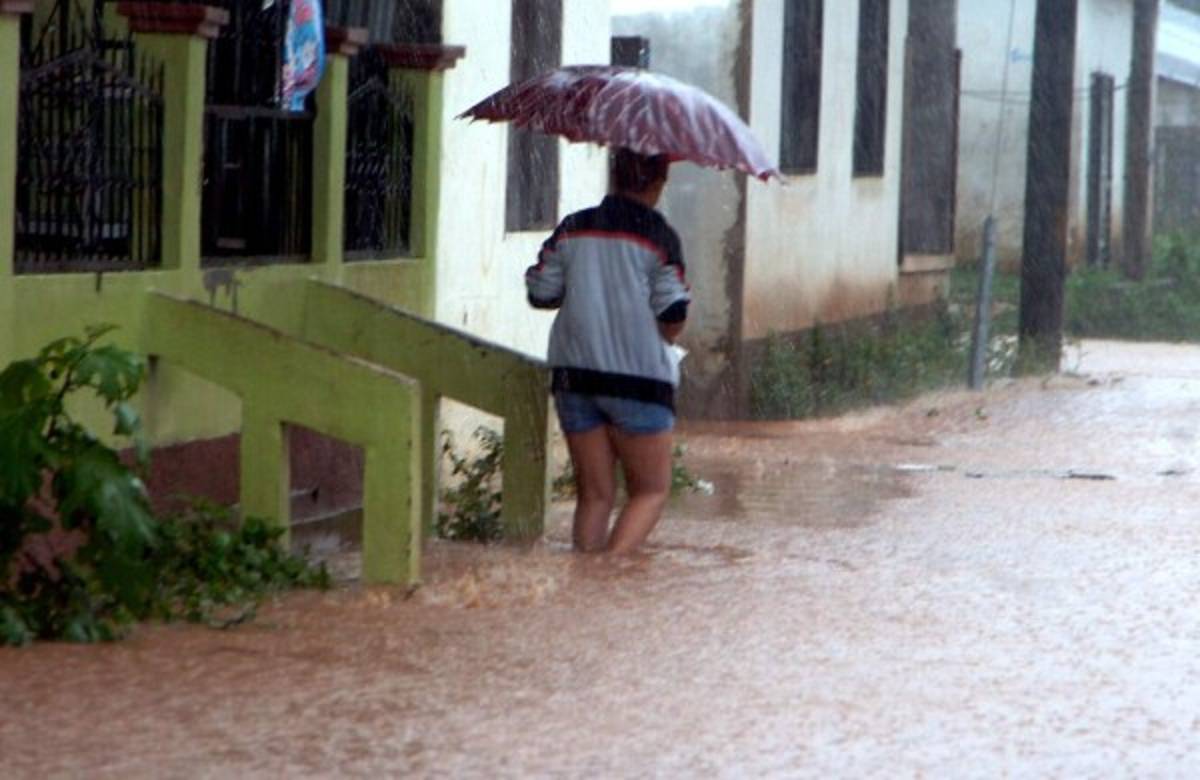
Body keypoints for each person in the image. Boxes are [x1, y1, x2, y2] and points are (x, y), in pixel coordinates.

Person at [525, 148, 690, 554]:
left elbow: (541, 291)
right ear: (658, 181)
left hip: (574, 378)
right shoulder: (659, 236)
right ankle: (606, 581)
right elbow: (672, 315)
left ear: (613, 172)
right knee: (650, 492)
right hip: (638, 381)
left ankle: (584, 590)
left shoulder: (574, 227)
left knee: (595, 497)